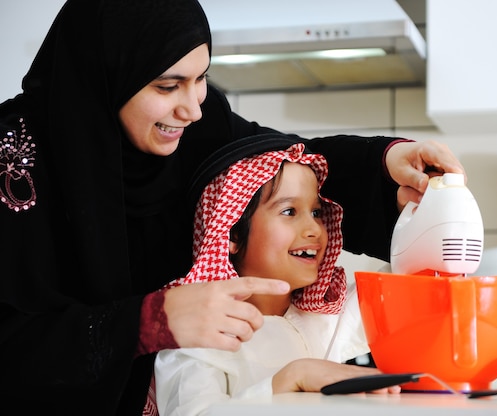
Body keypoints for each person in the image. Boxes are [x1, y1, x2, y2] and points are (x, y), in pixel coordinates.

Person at [0, 0, 465, 414]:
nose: (194, 109)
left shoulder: (195, 127)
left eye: (201, 78)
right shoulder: (14, 161)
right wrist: (146, 322)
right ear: (105, 74)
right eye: (168, 85)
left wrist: (387, 164)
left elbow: (276, 164)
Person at [154, 135, 399, 415]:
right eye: (289, 211)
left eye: (317, 212)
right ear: (232, 232)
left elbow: (404, 282)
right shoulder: (196, 335)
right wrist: (290, 379)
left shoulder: (326, 311)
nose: (314, 230)